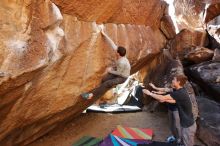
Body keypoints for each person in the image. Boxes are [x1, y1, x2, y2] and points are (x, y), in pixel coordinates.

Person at [143, 75, 196, 146]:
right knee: (183, 141)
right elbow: (171, 100)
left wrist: (149, 93)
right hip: (186, 124)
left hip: (188, 126)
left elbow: (162, 98)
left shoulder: (180, 93)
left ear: (178, 82)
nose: (172, 81)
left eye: (174, 80)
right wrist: (162, 98)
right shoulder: (180, 91)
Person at [81, 29, 131, 100]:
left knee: (106, 83)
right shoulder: (122, 55)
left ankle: (90, 95)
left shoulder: (121, 62)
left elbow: (119, 73)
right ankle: (101, 89)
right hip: (119, 71)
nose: (115, 49)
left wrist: (109, 71)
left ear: (118, 53)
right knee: (104, 79)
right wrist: (104, 34)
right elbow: (112, 43)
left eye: (116, 50)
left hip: (122, 77)